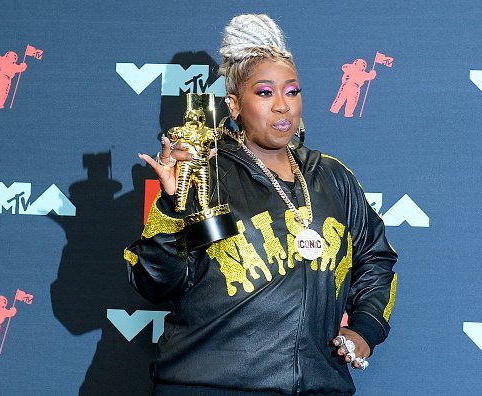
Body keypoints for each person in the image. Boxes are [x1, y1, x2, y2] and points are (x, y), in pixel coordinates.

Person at [125, 14, 397, 395]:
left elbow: (376, 259)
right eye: (265, 93)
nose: (283, 106)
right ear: (234, 105)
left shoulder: (333, 178)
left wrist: (365, 327)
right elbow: (153, 282)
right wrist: (172, 206)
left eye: (292, 91)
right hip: (210, 385)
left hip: (319, 386)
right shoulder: (204, 173)